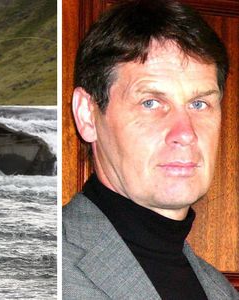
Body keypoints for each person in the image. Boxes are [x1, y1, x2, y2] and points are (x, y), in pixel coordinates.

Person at [64, 0, 239, 299]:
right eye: (151, 103)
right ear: (87, 115)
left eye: (199, 104)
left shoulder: (221, 291)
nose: (185, 133)